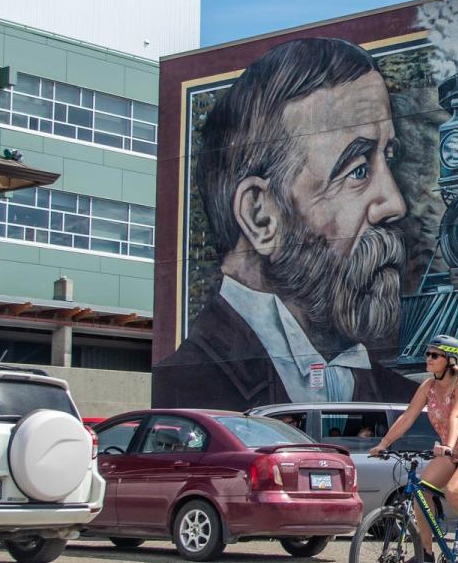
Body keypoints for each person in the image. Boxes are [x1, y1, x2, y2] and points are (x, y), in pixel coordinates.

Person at [153, 37, 415, 410]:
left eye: (388, 156)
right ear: (260, 216)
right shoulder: (185, 394)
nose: (394, 203)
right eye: (357, 170)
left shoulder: (409, 404)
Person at [370, 335, 458, 563]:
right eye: (427, 354)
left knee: (454, 491)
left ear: (450, 360)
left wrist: (448, 446)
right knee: (421, 491)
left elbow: (456, 415)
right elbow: (407, 417)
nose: (428, 358)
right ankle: (426, 551)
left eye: (434, 355)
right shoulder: (428, 386)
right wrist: (383, 443)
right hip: (454, 452)